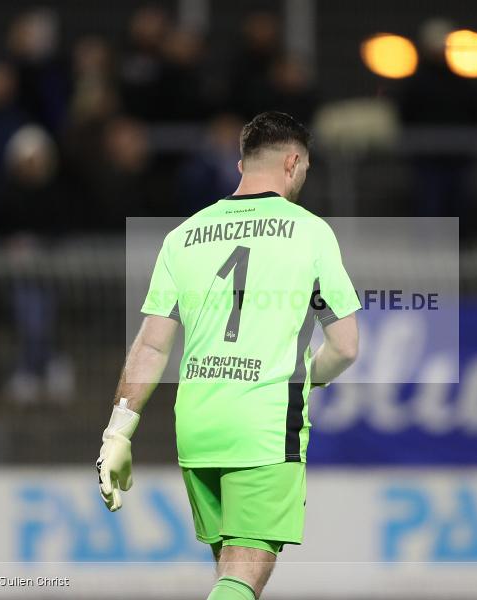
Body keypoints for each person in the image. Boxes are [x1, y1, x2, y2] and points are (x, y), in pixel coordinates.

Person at [96, 112, 361, 599]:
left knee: (230, 569)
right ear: (293, 162)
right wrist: (309, 377)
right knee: (248, 568)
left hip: (198, 426)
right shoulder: (310, 232)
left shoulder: (182, 237)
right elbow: (345, 345)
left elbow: (151, 344)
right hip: (261, 422)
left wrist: (119, 430)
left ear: (241, 165)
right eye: (304, 169)